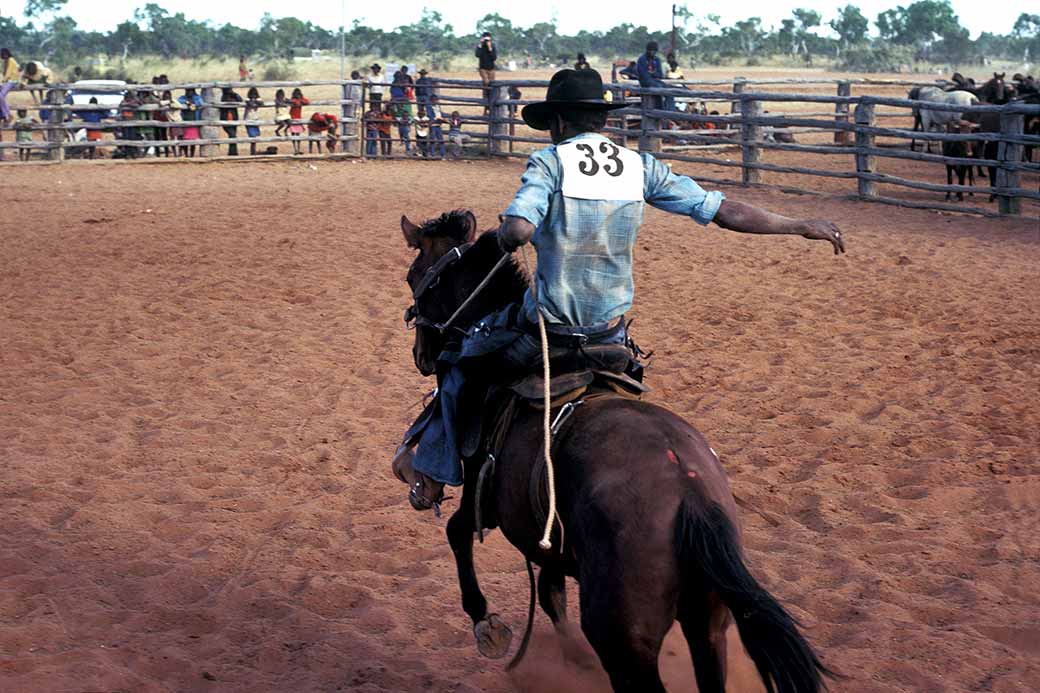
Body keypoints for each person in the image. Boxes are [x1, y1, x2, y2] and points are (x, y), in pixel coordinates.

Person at [393, 69, 845, 510]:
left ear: (558, 122)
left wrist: (511, 234)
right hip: (610, 333)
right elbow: (725, 211)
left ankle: (432, 477)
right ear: (602, 120)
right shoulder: (638, 167)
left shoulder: (549, 163)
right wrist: (798, 225)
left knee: (459, 362)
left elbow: (517, 228)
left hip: (548, 330)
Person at [178, 87, 203, 158]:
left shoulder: (197, 98)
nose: (189, 93)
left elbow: (201, 102)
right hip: (184, 121)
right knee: (185, 139)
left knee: (193, 140)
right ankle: (186, 154)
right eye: (187, 91)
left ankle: (191, 155)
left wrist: (193, 102)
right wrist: (187, 102)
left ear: (193, 92)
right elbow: (178, 101)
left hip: (194, 121)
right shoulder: (183, 98)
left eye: (190, 91)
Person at [475, 31, 497, 110]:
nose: (487, 41)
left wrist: (490, 48)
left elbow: (494, 57)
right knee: (486, 83)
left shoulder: (492, 46)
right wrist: (480, 45)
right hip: (483, 68)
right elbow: (477, 55)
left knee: (492, 85)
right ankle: (486, 104)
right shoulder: (480, 46)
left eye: (488, 39)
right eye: (486, 39)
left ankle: (491, 104)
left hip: (491, 68)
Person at [220, 86, 243, 155]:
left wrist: (235, 94)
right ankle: (233, 152)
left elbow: (240, 100)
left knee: (233, 136)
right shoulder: (222, 97)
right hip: (226, 120)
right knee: (232, 135)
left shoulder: (234, 96)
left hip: (234, 119)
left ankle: (232, 152)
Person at [1, 48, 20, 126]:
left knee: (0, 96)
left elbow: (8, 73)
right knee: (1, 97)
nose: (5, 56)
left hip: (12, 80)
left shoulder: (11, 60)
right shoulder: (6, 61)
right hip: (9, 80)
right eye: (3, 54)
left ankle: (8, 114)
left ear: (8, 54)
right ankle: (7, 116)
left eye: (5, 54)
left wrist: (3, 81)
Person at [289, 87, 309, 155]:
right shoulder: (294, 100)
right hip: (292, 117)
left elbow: (307, 101)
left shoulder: (299, 100)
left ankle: (298, 149)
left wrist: (300, 100)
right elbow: (295, 102)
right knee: (294, 135)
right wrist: (299, 100)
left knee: (298, 135)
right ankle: (295, 149)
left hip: (298, 118)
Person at [243, 87, 263, 155]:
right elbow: (249, 103)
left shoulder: (257, 99)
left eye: (255, 94)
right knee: (252, 136)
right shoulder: (247, 99)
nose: (253, 96)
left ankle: (253, 151)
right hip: (248, 119)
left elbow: (261, 103)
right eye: (252, 94)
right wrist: (254, 102)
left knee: (255, 135)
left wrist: (256, 101)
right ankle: (252, 151)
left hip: (255, 119)